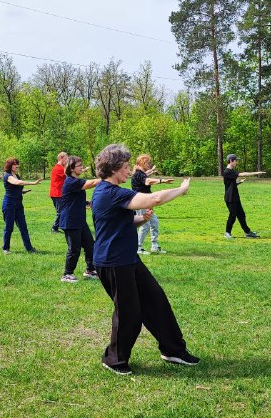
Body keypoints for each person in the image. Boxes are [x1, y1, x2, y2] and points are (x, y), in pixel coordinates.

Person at [91, 144, 199, 375]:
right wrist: (182, 189)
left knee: (156, 301)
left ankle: (173, 350)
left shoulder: (109, 192)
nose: (129, 171)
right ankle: (114, 360)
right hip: (113, 263)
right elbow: (156, 198)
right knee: (129, 313)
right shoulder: (110, 192)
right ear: (113, 169)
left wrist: (140, 220)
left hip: (127, 259)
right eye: (125, 166)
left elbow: (120, 224)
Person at [59, 155, 101, 282]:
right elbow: (92, 183)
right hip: (70, 221)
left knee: (90, 245)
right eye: (79, 165)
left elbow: (74, 198)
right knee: (74, 249)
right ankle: (67, 274)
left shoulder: (75, 181)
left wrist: (86, 202)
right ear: (71, 168)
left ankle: (90, 270)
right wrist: (107, 176)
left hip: (79, 220)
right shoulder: (71, 181)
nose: (82, 167)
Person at [132, 154, 174, 255]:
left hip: (147, 202)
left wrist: (151, 171)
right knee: (145, 225)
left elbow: (146, 175)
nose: (149, 164)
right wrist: (162, 181)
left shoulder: (141, 173)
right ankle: (138, 247)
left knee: (154, 222)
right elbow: (147, 181)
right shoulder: (138, 174)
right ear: (142, 162)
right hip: (141, 202)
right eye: (148, 162)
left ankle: (154, 246)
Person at [2, 158, 42, 254]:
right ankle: (6, 248)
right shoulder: (7, 176)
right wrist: (33, 183)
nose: (17, 166)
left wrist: (23, 191)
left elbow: (16, 188)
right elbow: (17, 183)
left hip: (18, 205)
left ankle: (29, 248)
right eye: (15, 164)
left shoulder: (17, 175)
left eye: (17, 164)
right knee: (9, 227)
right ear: (10, 166)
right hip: (9, 205)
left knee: (23, 227)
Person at [223, 154, 265, 239]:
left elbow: (230, 184)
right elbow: (242, 174)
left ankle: (247, 232)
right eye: (236, 160)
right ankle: (227, 232)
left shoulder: (231, 172)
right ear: (231, 160)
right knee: (233, 215)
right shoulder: (227, 171)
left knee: (241, 215)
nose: (236, 162)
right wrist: (256, 173)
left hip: (235, 197)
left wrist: (239, 182)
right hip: (230, 198)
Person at [49, 152, 68, 233]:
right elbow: (68, 175)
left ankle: (63, 226)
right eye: (66, 158)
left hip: (59, 193)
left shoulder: (61, 167)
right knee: (61, 211)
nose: (67, 160)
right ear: (61, 158)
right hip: (56, 193)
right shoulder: (58, 168)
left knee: (63, 211)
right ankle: (54, 228)